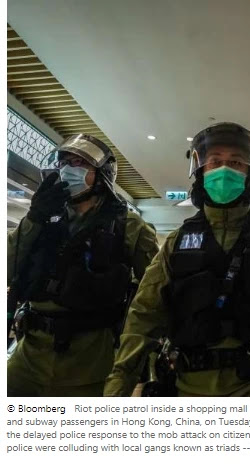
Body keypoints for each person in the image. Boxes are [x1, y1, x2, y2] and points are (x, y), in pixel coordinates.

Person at [104, 122, 250, 397]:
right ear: (201, 171)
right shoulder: (177, 242)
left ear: (249, 173)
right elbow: (143, 317)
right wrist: (117, 391)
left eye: (236, 162)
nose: (224, 170)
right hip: (189, 386)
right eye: (215, 162)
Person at [7, 134, 159, 397]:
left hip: (90, 365)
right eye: (64, 162)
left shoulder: (129, 225)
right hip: (27, 360)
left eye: (79, 163)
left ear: (102, 174)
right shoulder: (42, 218)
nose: (68, 169)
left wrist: (136, 360)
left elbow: (153, 296)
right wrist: (34, 218)